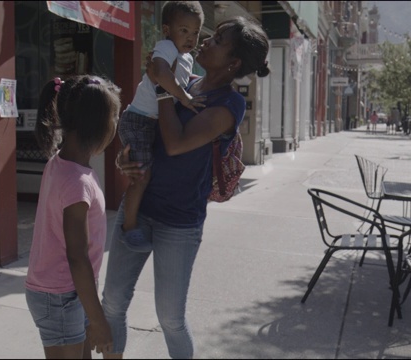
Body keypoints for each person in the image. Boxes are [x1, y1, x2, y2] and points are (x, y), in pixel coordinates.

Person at [101, 16, 270, 359]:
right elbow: (147, 131)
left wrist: (164, 87)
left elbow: (176, 143)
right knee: (113, 304)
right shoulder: (185, 80)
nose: (206, 40)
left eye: (218, 40)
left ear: (234, 62)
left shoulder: (229, 104)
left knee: (171, 319)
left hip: (179, 222)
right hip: (139, 206)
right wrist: (126, 157)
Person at [25, 75, 121, 359]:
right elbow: (77, 256)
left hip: (67, 292)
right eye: (115, 116)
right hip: (60, 295)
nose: (117, 123)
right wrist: (99, 320)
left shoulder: (62, 163)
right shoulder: (76, 182)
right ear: (97, 123)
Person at [116, 1, 204, 253]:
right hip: (140, 119)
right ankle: (128, 228)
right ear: (167, 29)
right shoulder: (166, 47)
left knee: (145, 174)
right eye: (184, 30)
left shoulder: (186, 57)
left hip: (150, 122)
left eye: (196, 32)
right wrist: (185, 99)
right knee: (141, 177)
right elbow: (162, 74)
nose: (191, 37)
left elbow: (180, 80)